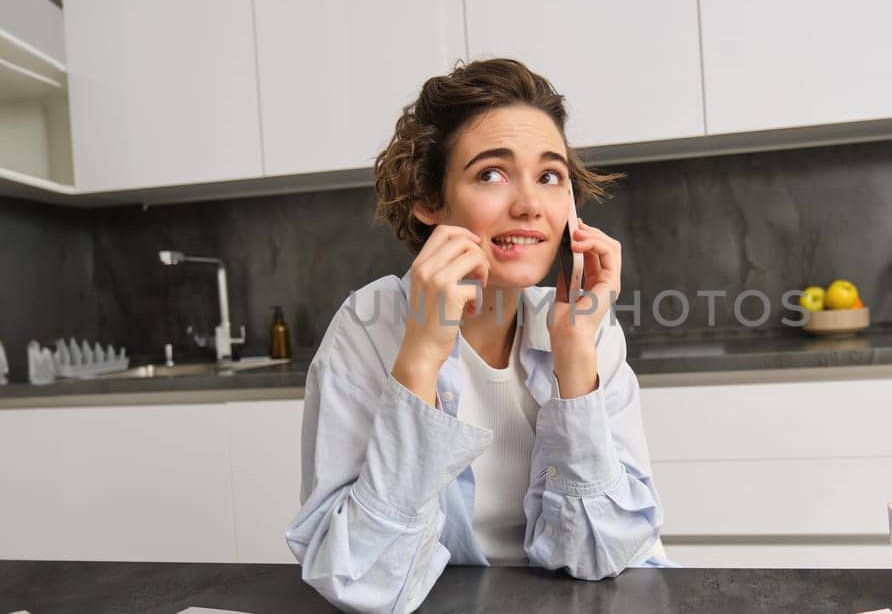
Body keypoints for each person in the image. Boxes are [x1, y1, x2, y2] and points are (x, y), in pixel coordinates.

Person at [284, 58, 671, 613]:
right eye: (491, 173)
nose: (529, 205)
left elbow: (601, 555)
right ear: (428, 199)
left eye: (549, 176)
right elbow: (362, 580)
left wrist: (574, 363)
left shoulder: (584, 324)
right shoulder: (369, 326)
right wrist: (419, 356)